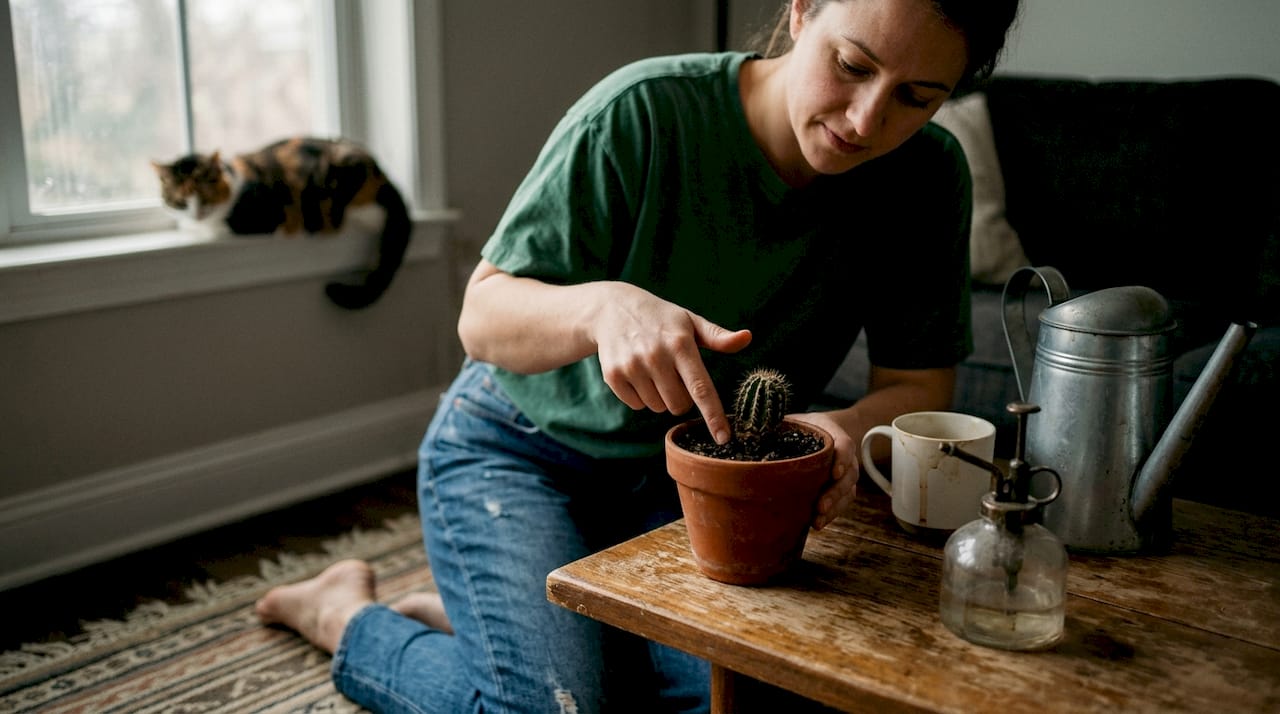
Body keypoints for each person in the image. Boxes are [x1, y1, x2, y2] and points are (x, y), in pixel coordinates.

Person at [256, 0, 1022, 711]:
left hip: (701, 488)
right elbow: (481, 317)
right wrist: (599, 305)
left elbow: (917, 384)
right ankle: (345, 615)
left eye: (915, 97)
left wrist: (849, 426)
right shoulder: (642, 112)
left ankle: (528, 636)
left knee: (741, 700)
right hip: (518, 454)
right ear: (800, 10)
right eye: (852, 65)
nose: (865, 119)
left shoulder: (929, 176)